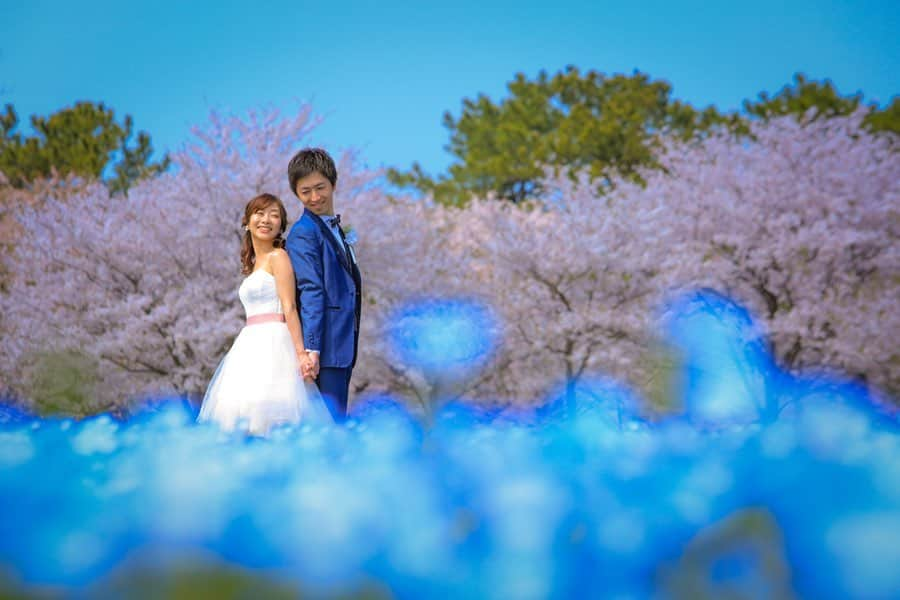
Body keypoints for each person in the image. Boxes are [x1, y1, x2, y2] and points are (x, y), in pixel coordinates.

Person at [198, 193, 330, 435]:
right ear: (247, 221)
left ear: (281, 225)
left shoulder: (278, 257)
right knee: (242, 416)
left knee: (273, 415)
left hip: (275, 343)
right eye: (259, 213)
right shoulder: (253, 265)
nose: (266, 219)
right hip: (249, 345)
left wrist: (302, 354)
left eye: (274, 215)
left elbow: (289, 307)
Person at [285, 148, 362, 422]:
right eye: (305, 191)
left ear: (333, 184)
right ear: (296, 193)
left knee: (336, 425)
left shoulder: (335, 229)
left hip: (341, 345)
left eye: (320, 188)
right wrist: (312, 350)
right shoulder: (304, 233)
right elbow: (311, 290)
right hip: (324, 352)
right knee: (329, 429)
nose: (315, 198)